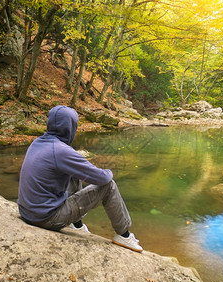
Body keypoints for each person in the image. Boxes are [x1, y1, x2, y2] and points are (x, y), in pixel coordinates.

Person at [17, 105, 143, 253]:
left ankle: (76, 225)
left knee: (72, 174)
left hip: (27, 211)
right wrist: (110, 171)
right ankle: (124, 235)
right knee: (109, 186)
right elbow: (102, 178)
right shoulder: (61, 151)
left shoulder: (38, 142)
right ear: (70, 127)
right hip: (46, 218)